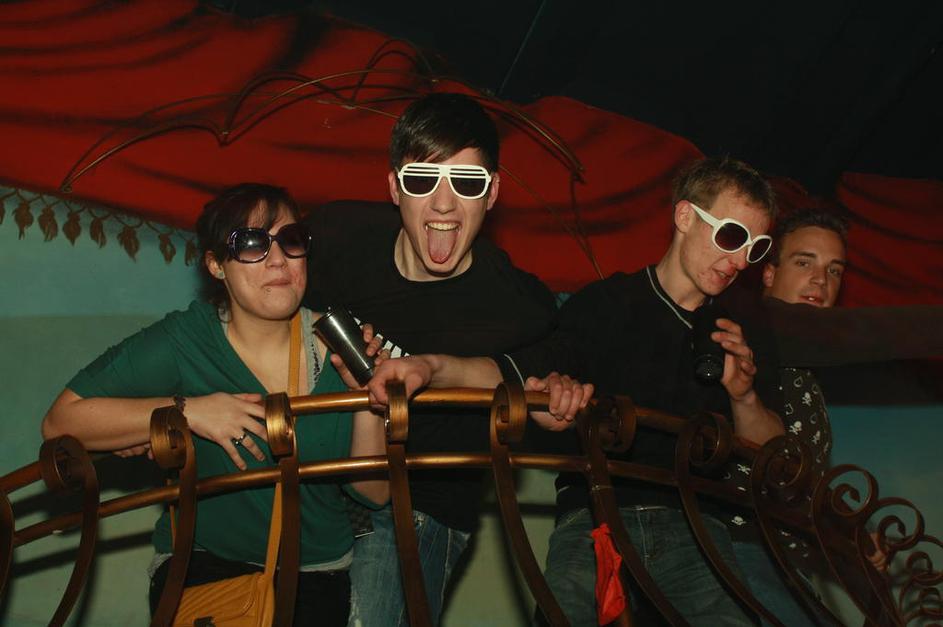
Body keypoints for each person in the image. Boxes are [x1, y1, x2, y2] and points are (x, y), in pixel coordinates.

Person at [369, 156, 784, 625]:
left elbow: (774, 456)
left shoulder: (743, 329)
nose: (739, 260)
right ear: (685, 216)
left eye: (756, 248)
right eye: (732, 236)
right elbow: (522, 374)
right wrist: (433, 368)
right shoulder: (604, 305)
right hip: (594, 515)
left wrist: (744, 395)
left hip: (696, 526)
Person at [41, 183, 388, 626]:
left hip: (317, 576)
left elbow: (375, 492)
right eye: (251, 244)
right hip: (206, 567)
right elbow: (61, 422)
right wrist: (190, 411)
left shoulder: (343, 342)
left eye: (290, 240)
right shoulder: (188, 339)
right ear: (216, 265)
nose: (278, 259)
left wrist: (366, 397)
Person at [301, 92, 586, 627]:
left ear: (492, 192)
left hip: (418, 509)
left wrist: (552, 397)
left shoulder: (520, 304)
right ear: (394, 187)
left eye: (467, 182)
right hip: (315, 486)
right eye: (421, 179)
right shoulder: (337, 239)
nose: (444, 204)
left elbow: (537, 381)